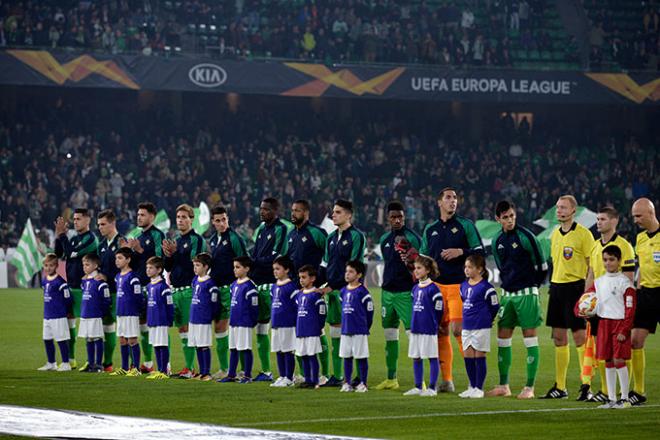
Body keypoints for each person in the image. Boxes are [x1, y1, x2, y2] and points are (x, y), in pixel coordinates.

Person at [418, 187, 484, 392]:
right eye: (448, 197)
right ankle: (447, 381)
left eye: (455, 197)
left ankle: (474, 382)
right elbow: (423, 257)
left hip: (458, 287)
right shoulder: (430, 229)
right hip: (436, 289)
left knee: (459, 331)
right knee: (440, 332)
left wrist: (461, 252)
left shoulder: (466, 225)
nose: (452, 201)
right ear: (439, 202)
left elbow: (480, 251)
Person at [488, 200, 546, 399]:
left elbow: (542, 266)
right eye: (505, 217)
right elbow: (501, 265)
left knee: (529, 337)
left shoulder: (527, 236)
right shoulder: (497, 241)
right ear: (498, 219)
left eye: (512, 216)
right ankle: (504, 385)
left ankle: (529, 388)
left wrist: (532, 288)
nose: (510, 220)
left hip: (527, 294)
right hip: (507, 295)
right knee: (502, 338)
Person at [579, 206, 635, 402]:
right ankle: (607, 393)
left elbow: (628, 279)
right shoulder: (595, 246)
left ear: (614, 221)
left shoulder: (624, 246)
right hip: (599, 310)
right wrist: (585, 302)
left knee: (619, 354)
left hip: (617, 311)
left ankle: (628, 394)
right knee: (604, 354)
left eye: (602, 219)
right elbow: (591, 275)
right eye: (597, 219)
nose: (598, 222)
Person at [543, 195, 594, 399]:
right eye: (557, 207)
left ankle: (586, 385)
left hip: (576, 288)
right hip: (556, 288)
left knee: (580, 337)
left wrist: (587, 293)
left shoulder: (584, 234)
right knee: (558, 337)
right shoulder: (554, 234)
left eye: (563, 207)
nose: (559, 211)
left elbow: (592, 265)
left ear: (574, 210)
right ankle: (561, 387)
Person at [375, 201, 421, 391]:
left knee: (414, 337)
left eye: (400, 217)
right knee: (390, 336)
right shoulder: (385, 239)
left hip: (405, 294)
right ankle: (391, 378)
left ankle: (420, 382)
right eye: (393, 217)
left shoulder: (413, 238)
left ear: (405, 217)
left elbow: (420, 265)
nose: (397, 220)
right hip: (387, 294)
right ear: (388, 218)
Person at [320, 199, 366, 387]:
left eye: (338, 212)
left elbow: (354, 267)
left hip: (349, 292)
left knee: (352, 333)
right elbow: (324, 265)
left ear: (348, 215)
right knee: (336, 331)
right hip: (332, 290)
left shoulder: (356, 236)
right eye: (333, 212)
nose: (333, 215)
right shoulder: (331, 238)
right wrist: (318, 285)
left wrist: (333, 285)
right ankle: (339, 376)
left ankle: (357, 375)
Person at [286, 199, 329, 382]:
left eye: (297, 211)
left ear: (306, 213)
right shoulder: (291, 234)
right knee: (300, 329)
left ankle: (325, 374)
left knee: (318, 330)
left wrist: (320, 283)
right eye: (292, 210)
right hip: (297, 290)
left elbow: (327, 258)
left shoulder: (317, 233)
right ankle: (305, 374)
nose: (293, 213)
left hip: (314, 288)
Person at [251, 197, 292, 382]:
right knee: (261, 329)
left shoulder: (281, 229)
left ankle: (290, 373)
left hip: (272, 284)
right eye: (261, 209)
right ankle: (267, 371)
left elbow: (277, 257)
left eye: (266, 209)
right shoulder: (260, 229)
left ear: (275, 211)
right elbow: (255, 254)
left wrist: (256, 262)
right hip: (258, 283)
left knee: (279, 329)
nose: (262, 212)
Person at [120, 202, 165, 373]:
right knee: (141, 325)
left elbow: (160, 260)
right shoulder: (137, 235)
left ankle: (163, 364)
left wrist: (140, 251)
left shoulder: (157, 235)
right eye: (138, 214)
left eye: (143, 215)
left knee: (155, 325)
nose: (139, 217)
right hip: (137, 287)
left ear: (152, 217)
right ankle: (146, 363)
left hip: (153, 287)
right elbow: (135, 262)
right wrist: (127, 251)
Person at [162, 204, 206, 379]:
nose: (180, 220)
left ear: (191, 219)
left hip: (189, 289)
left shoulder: (196, 240)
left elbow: (194, 264)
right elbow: (168, 267)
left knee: (188, 329)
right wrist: (168, 255)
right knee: (181, 329)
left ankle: (190, 368)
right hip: (175, 290)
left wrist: (177, 253)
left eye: (184, 217)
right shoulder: (177, 241)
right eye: (178, 217)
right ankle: (182, 368)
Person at [54, 207, 99, 369]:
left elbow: (72, 253)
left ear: (88, 220)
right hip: (71, 286)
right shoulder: (72, 239)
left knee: (88, 325)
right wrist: (58, 236)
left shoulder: (91, 239)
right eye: (74, 219)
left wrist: (63, 236)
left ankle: (92, 361)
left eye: (78, 219)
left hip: (86, 288)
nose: (75, 221)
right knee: (68, 323)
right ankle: (71, 359)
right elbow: (60, 253)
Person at [208, 206, 247, 379]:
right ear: (212, 222)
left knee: (238, 329)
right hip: (218, 289)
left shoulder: (234, 238)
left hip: (232, 289)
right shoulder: (212, 239)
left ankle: (244, 370)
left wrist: (241, 286)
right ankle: (224, 368)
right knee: (219, 328)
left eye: (224, 219)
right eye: (218, 220)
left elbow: (244, 261)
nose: (222, 223)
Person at [629, 198, 659, 405]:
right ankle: (638, 391)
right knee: (635, 341)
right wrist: (637, 290)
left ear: (651, 212)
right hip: (646, 294)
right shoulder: (640, 239)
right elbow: (641, 268)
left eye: (638, 216)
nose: (635, 220)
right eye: (633, 216)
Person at [459, 254, 499, 399]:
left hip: (481, 326)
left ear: (480, 269)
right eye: (465, 267)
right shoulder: (463, 285)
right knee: (468, 356)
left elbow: (494, 306)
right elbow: (464, 301)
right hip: (467, 326)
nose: (467, 270)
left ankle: (479, 388)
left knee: (479, 356)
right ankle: (472, 386)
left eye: (470, 267)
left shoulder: (486, 288)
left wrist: (489, 319)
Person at [404, 255, 444, 397]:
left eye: (419, 268)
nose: (416, 271)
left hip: (428, 328)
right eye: (415, 268)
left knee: (432, 356)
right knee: (416, 356)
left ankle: (432, 388)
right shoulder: (414, 288)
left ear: (427, 270)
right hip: (416, 327)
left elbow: (439, 309)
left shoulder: (433, 289)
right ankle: (418, 386)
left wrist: (435, 324)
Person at [220, 256, 259, 383]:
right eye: (234, 267)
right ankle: (231, 374)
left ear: (246, 269)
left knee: (245, 348)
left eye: (238, 267)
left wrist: (252, 321)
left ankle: (248, 375)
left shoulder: (250, 286)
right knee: (233, 348)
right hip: (234, 321)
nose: (235, 270)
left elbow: (254, 306)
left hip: (244, 322)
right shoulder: (233, 285)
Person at [339, 260, 374, 393]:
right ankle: (347, 382)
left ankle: (363, 383)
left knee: (361, 356)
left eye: (351, 272)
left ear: (359, 275)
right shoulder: (342, 292)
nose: (347, 274)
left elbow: (369, 311)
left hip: (359, 330)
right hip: (346, 329)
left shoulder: (362, 292)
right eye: (346, 271)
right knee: (346, 356)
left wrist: (365, 326)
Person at [110, 248, 143, 377]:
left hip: (130, 312)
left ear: (128, 260)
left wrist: (137, 310)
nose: (117, 261)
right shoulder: (117, 277)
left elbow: (138, 296)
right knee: (123, 340)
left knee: (132, 340)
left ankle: (136, 368)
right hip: (121, 312)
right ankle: (124, 367)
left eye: (120, 258)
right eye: (116, 258)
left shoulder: (133, 277)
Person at [96, 209, 122, 372]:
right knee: (107, 326)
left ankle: (136, 364)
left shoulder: (122, 243)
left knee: (127, 329)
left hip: (119, 292)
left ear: (113, 224)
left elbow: (126, 268)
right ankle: (107, 363)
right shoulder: (101, 245)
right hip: (105, 293)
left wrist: (107, 276)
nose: (100, 228)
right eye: (98, 225)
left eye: (103, 224)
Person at [38, 253, 72, 372]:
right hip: (47, 315)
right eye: (46, 265)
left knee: (61, 339)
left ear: (56, 266)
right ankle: (51, 363)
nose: (48, 268)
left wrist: (66, 311)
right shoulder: (44, 281)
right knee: (47, 339)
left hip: (58, 315)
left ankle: (65, 363)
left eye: (51, 265)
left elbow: (68, 299)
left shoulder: (60, 282)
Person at [78, 253, 111, 373]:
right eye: (83, 265)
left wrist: (101, 312)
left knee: (97, 338)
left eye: (87, 264)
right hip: (85, 314)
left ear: (96, 265)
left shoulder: (100, 282)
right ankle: (90, 364)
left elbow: (106, 300)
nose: (84, 267)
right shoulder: (84, 281)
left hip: (95, 315)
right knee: (88, 339)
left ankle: (98, 365)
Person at [295, 265, 327, 389]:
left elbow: (322, 312)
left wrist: (319, 326)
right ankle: (307, 379)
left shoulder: (316, 295)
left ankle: (315, 380)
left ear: (312, 278)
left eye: (304, 277)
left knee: (312, 355)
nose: (301, 280)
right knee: (303, 355)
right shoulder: (299, 294)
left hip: (312, 331)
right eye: (300, 278)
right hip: (301, 330)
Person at [189, 253, 219, 381]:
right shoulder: (195, 280)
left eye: (198, 265)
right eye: (194, 265)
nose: (195, 268)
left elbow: (214, 301)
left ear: (206, 267)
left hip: (203, 318)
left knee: (204, 345)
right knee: (197, 345)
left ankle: (206, 372)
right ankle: (201, 372)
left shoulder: (210, 283)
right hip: (194, 317)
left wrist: (212, 315)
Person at [270, 256, 298, 388]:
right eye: (274, 269)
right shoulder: (274, 287)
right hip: (276, 323)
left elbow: (296, 306)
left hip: (288, 324)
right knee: (278, 350)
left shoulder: (291, 287)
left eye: (278, 269)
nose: (275, 271)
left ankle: (289, 377)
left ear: (286, 270)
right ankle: (282, 376)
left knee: (287, 350)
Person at [145, 256, 174, 380]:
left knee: (162, 344)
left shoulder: (163, 287)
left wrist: (169, 320)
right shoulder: (149, 286)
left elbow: (169, 305)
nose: (148, 270)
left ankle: (164, 370)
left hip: (161, 320)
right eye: (147, 267)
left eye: (151, 268)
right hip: (152, 320)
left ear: (159, 270)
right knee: (156, 344)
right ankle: (159, 369)